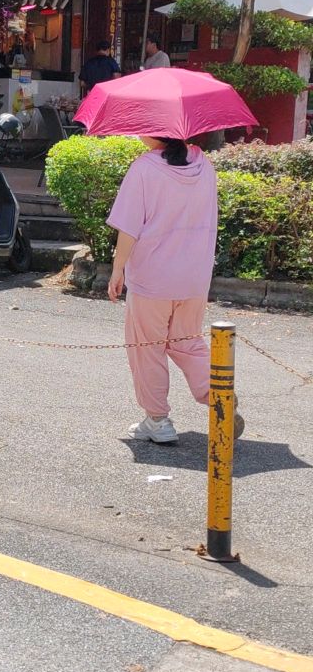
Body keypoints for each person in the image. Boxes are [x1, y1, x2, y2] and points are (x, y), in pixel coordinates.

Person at [106, 135, 243, 443]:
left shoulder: (143, 168)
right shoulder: (203, 165)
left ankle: (157, 420)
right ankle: (219, 396)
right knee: (187, 342)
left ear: (154, 132)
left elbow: (129, 228)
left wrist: (118, 270)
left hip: (153, 277)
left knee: (147, 348)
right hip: (194, 277)